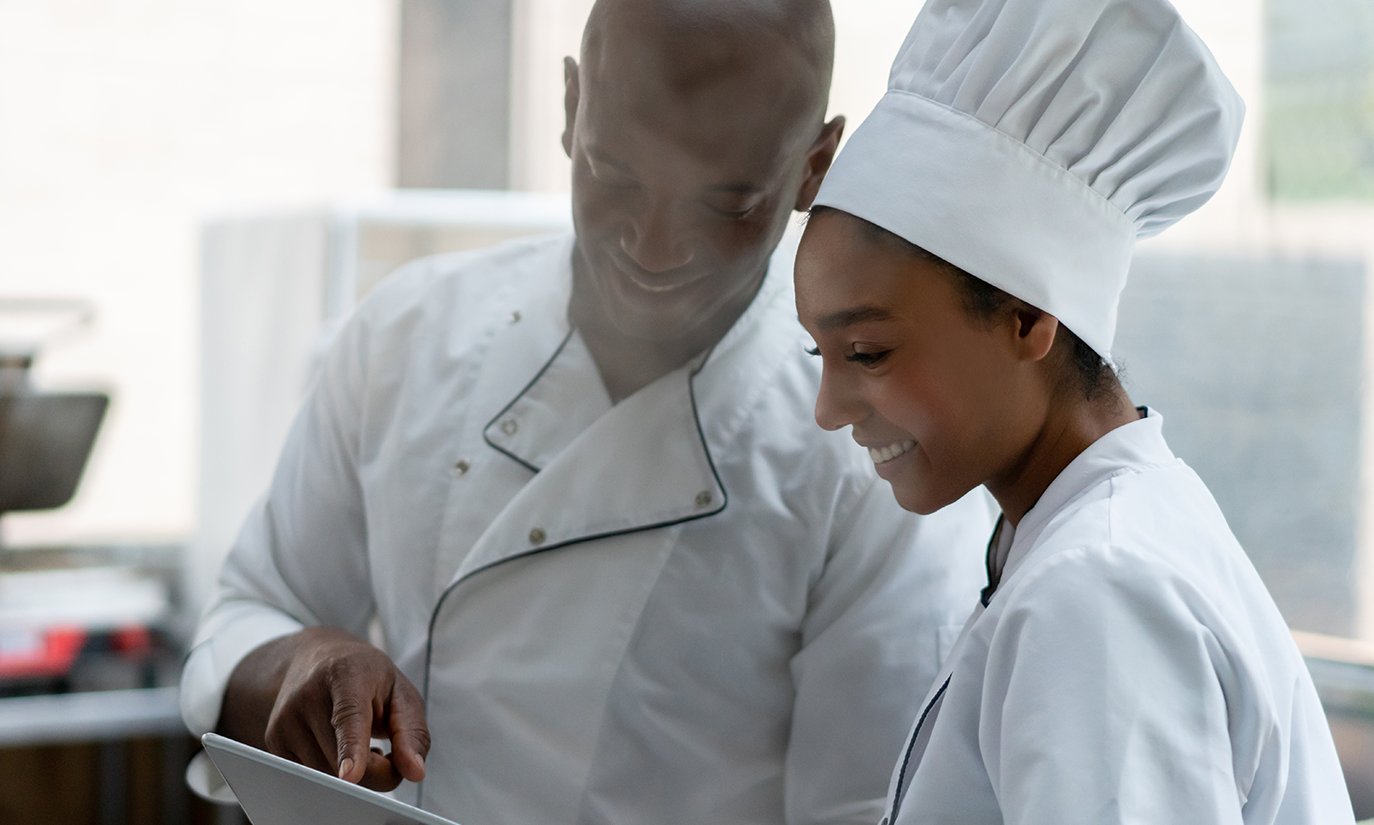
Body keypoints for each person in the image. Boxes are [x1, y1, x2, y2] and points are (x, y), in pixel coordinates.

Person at [180, 1, 997, 823]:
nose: (653, 246)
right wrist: (297, 662)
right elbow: (252, 611)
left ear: (814, 168)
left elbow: (862, 809)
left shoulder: (870, 452)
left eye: (725, 204)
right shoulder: (409, 334)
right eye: (616, 178)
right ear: (572, 109)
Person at [793, 0, 1358, 821]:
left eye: (867, 354)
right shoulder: (1105, 535)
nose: (828, 410)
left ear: (1027, 318)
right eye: (820, 353)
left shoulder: (1096, 592)